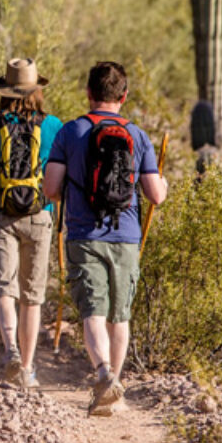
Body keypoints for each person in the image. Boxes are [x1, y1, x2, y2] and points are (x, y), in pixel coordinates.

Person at [43, 61, 167, 415]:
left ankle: (103, 376)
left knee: (92, 313)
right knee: (120, 315)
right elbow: (155, 195)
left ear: (89, 93)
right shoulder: (138, 135)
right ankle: (114, 391)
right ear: (124, 96)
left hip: (83, 234)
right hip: (126, 236)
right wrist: (165, 186)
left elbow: (51, 190)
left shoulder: (69, 132)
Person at [0, 58, 63, 389]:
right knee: (31, 296)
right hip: (39, 214)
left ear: (4, 90)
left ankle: (11, 353)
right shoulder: (52, 126)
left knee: (4, 287)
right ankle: (29, 369)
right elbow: (61, 174)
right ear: (37, 90)